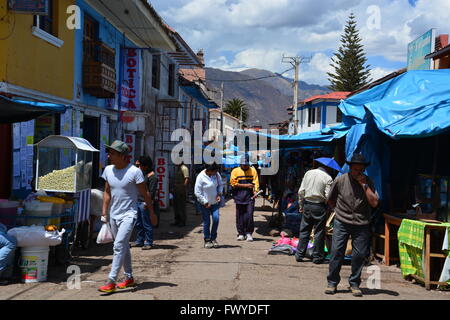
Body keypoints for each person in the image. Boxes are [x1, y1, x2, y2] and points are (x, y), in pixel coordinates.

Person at [98, 140, 157, 293]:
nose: (109, 156)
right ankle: (129, 277)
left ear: (123, 156)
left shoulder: (134, 172)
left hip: (129, 215)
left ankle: (111, 281)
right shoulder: (108, 170)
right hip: (113, 215)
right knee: (123, 246)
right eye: (109, 153)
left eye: (112, 153)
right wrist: (104, 211)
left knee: (118, 246)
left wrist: (151, 212)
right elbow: (107, 192)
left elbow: (146, 193)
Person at [325, 153, 379, 297]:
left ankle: (354, 283)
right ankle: (332, 282)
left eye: (360, 170)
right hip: (342, 221)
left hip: (362, 223)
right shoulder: (341, 180)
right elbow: (330, 199)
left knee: (359, 255)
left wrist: (364, 186)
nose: (357, 172)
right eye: (355, 169)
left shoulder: (368, 182)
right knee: (336, 252)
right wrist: (337, 211)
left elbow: (374, 203)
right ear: (350, 168)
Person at [294, 159, 333, 264]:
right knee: (319, 232)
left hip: (307, 204)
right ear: (328, 167)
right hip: (319, 206)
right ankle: (317, 257)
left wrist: (301, 205)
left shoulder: (308, 173)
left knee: (304, 230)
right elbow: (328, 196)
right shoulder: (328, 178)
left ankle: (299, 254)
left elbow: (301, 191)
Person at [132, 156, 159, 250]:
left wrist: (147, 203)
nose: (139, 167)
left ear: (146, 166)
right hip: (138, 201)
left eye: (140, 165)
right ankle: (139, 240)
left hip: (144, 203)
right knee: (138, 223)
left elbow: (151, 192)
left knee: (146, 223)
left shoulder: (152, 177)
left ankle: (149, 242)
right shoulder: (142, 174)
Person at [230, 154, 259, 241]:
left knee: (249, 215)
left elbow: (256, 183)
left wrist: (256, 191)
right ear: (240, 163)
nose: (245, 165)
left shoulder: (253, 171)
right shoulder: (235, 171)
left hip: (250, 197)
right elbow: (233, 183)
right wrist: (246, 185)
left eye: (246, 164)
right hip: (238, 196)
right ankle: (241, 233)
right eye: (243, 164)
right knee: (240, 216)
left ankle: (249, 233)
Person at [194, 163, 223, 249]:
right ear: (209, 170)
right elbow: (197, 192)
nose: (216, 173)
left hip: (214, 203)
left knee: (216, 219)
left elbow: (220, 185)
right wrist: (205, 202)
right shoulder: (200, 177)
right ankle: (207, 239)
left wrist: (219, 194)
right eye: (214, 171)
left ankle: (213, 238)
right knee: (207, 222)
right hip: (204, 204)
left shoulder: (217, 175)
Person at [172, 162, 189, 227]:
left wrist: (183, 188)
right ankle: (177, 221)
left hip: (181, 189)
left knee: (181, 206)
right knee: (176, 206)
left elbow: (186, 179)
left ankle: (182, 221)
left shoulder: (184, 168)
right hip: (176, 189)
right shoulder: (177, 168)